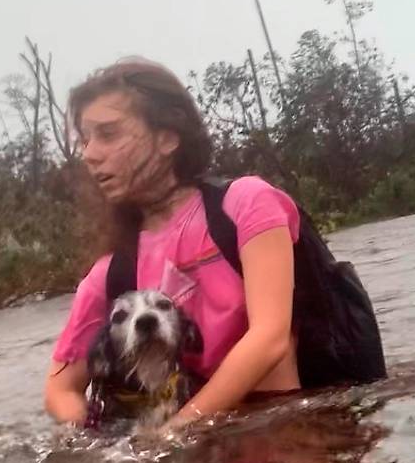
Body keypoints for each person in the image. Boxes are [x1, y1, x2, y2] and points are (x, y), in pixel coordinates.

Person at [43, 58, 300, 431]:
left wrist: (174, 432)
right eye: (85, 139)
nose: (89, 153)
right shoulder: (113, 272)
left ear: (168, 137)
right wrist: (100, 441)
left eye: (108, 134)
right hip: (194, 445)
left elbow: (270, 338)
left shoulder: (245, 205)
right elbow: (59, 389)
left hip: (285, 423)